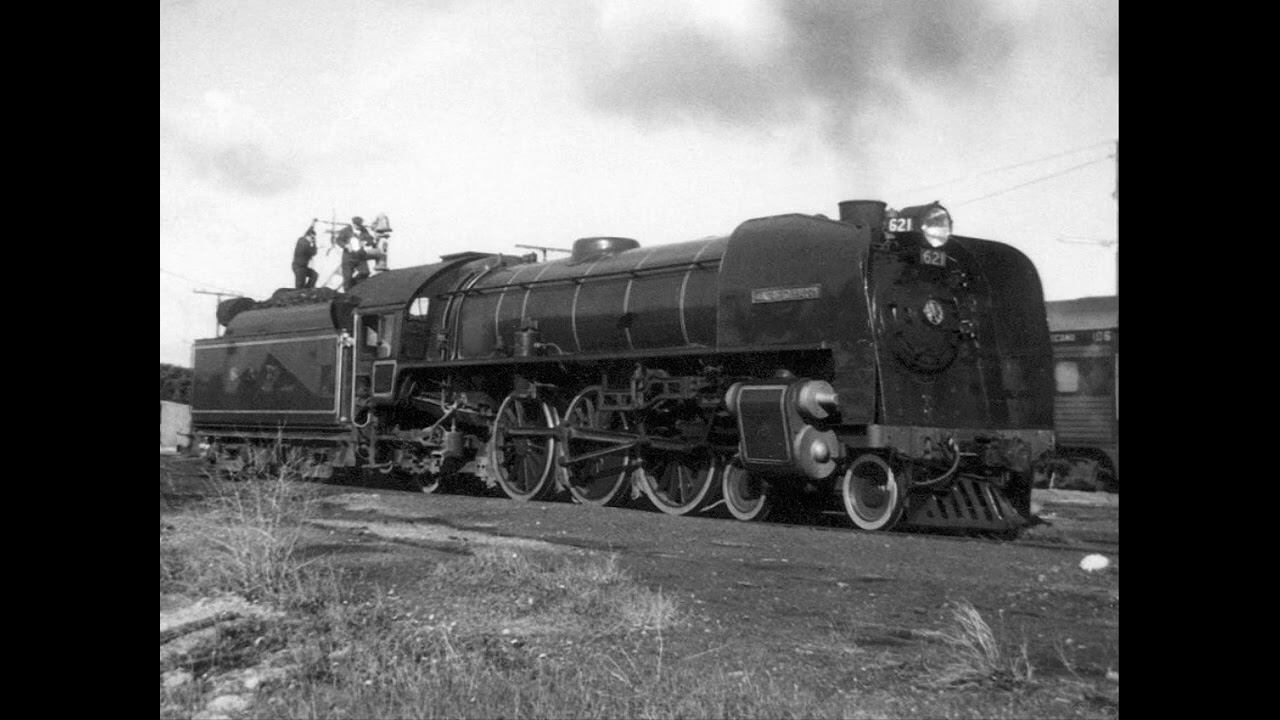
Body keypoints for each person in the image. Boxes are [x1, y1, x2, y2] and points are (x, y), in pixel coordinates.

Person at [336, 216, 374, 290]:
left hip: (360, 255)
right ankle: (347, 294)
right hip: (348, 256)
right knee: (347, 278)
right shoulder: (346, 230)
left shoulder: (363, 230)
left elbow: (371, 239)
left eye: (360, 225)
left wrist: (366, 243)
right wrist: (345, 245)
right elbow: (338, 240)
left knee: (365, 273)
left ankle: (355, 287)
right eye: (357, 225)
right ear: (353, 224)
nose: (358, 227)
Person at [292, 224, 319, 289]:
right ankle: (304, 292)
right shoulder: (305, 245)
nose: (312, 239)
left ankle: (307, 290)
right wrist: (314, 243)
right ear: (308, 236)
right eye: (312, 238)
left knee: (314, 275)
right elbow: (314, 252)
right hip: (300, 268)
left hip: (300, 267)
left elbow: (308, 232)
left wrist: (313, 224)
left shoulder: (301, 239)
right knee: (300, 287)